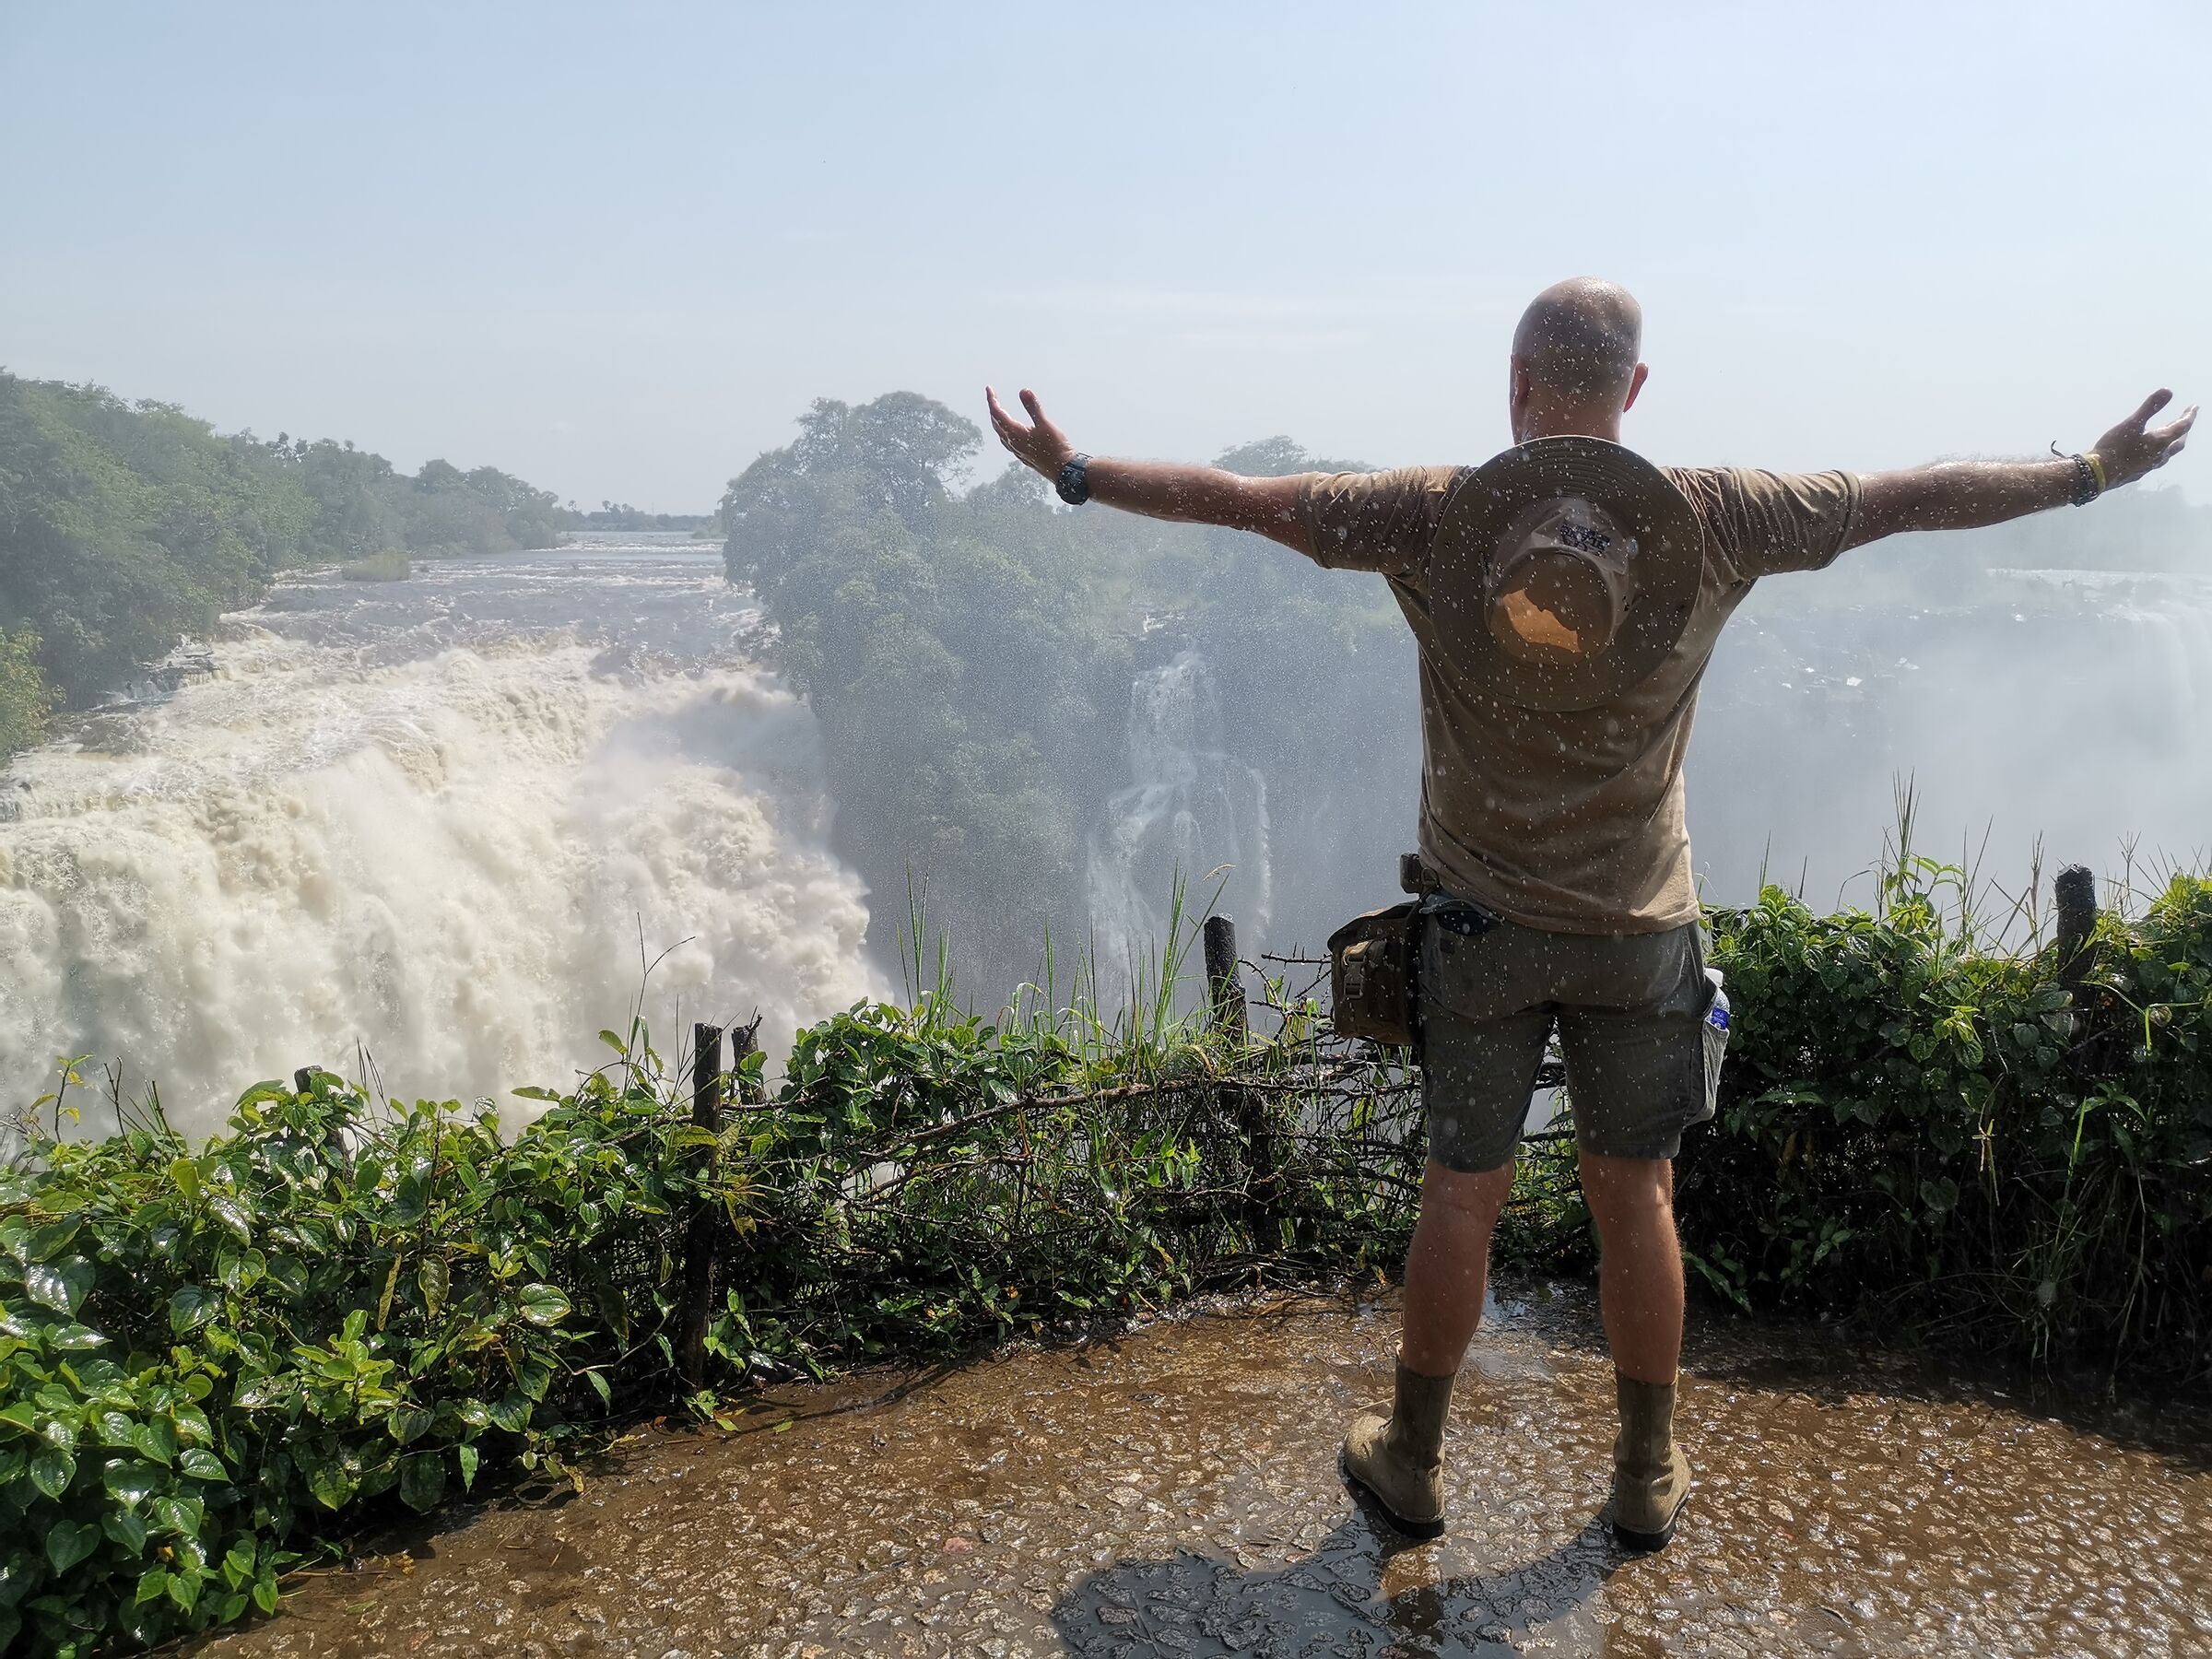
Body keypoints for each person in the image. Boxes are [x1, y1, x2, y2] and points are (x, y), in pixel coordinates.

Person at [983, 277, 2194, 1551]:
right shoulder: (1718, 516)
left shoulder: (1439, 513)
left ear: (1516, 383)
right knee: (1637, 1199)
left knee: (1463, 1193)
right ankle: (1642, 1474)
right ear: (1635, 388)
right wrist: (2085, 474)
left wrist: (1075, 472)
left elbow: (1241, 502)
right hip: (1641, 934)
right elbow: (1908, 498)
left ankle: (1414, 1460)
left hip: (1481, 936)